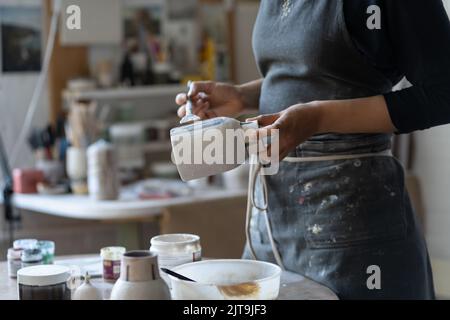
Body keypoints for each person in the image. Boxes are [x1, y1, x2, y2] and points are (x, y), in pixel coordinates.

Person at [176, 0, 450, 299]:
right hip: (269, 216)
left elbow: (443, 95)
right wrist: (243, 96)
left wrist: (319, 118)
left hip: (352, 224)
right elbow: (316, 69)